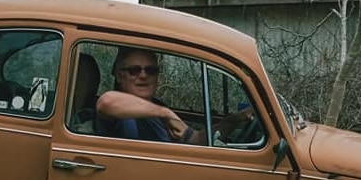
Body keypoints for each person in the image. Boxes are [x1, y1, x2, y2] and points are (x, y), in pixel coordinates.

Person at [96, 47, 255, 145]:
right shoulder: (120, 109)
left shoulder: (157, 108)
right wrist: (164, 113)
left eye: (151, 70)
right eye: (134, 70)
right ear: (119, 75)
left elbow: (196, 139)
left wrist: (234, 120)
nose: (143, 76)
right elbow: (106, 102)